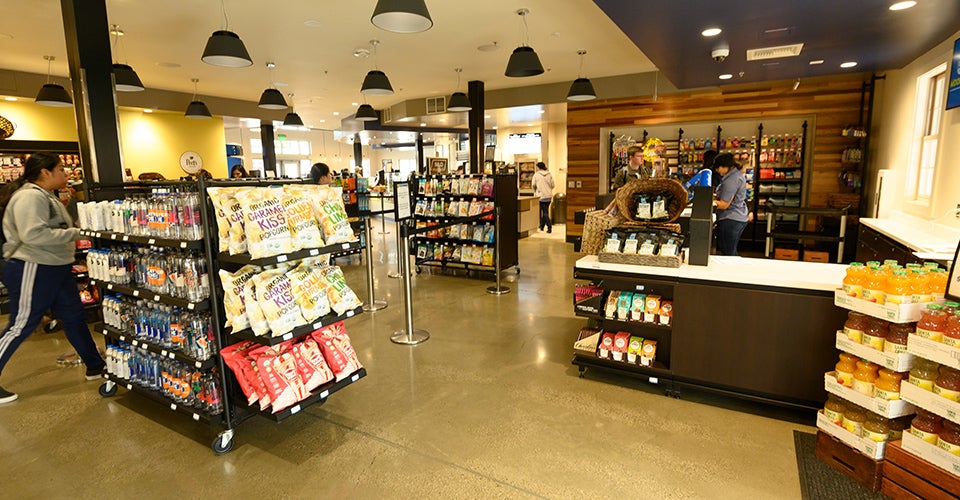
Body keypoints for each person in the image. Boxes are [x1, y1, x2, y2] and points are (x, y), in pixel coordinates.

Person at [0, 152, 106, 404]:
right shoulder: (29, 196)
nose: (65, 173)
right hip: (33, 266)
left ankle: (94, 365)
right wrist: (75, 233)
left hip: (56, 267)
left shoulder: (47, 197)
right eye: (60, 169)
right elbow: (33, 235)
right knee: (21, 323)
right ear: (45, 172)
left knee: (73, 317)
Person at [712, 152, 749, 256]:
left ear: (725, 166)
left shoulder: (731, 180)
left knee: (729, 252)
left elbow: (724, 205)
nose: (717, 170)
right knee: (729, 250)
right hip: (736, 217)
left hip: (731, 218)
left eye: (718, 167)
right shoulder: (734, 175)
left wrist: (711, 202)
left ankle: (735, 271)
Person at [531, 162, 555, 233]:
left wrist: (536, 191)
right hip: (549, 196)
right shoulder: (549, 174)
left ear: (538, 167)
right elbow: (553, 185)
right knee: (545, 211)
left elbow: (533, 185)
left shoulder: (536, 175)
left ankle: (549, 226)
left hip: (541, 196)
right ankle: (542, 226)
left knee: (544, 212)